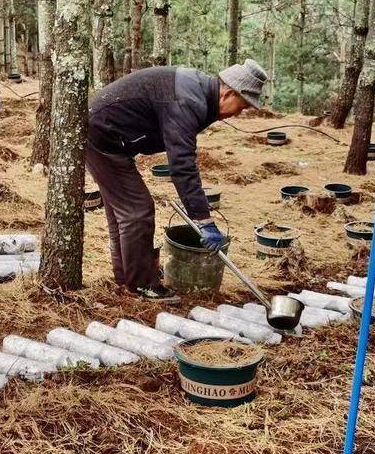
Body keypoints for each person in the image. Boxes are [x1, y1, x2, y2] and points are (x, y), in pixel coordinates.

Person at [87, 59, 268, 300]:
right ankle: (141, 284)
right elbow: (182, 163)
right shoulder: (188, 100)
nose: (238, 113)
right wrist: (202, 218)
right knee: (137, 211)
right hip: (101, 134)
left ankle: (126, 277)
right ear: (228, 94)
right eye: (242, 106)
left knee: (123, 212)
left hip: (108, 134)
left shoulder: (198, 93)